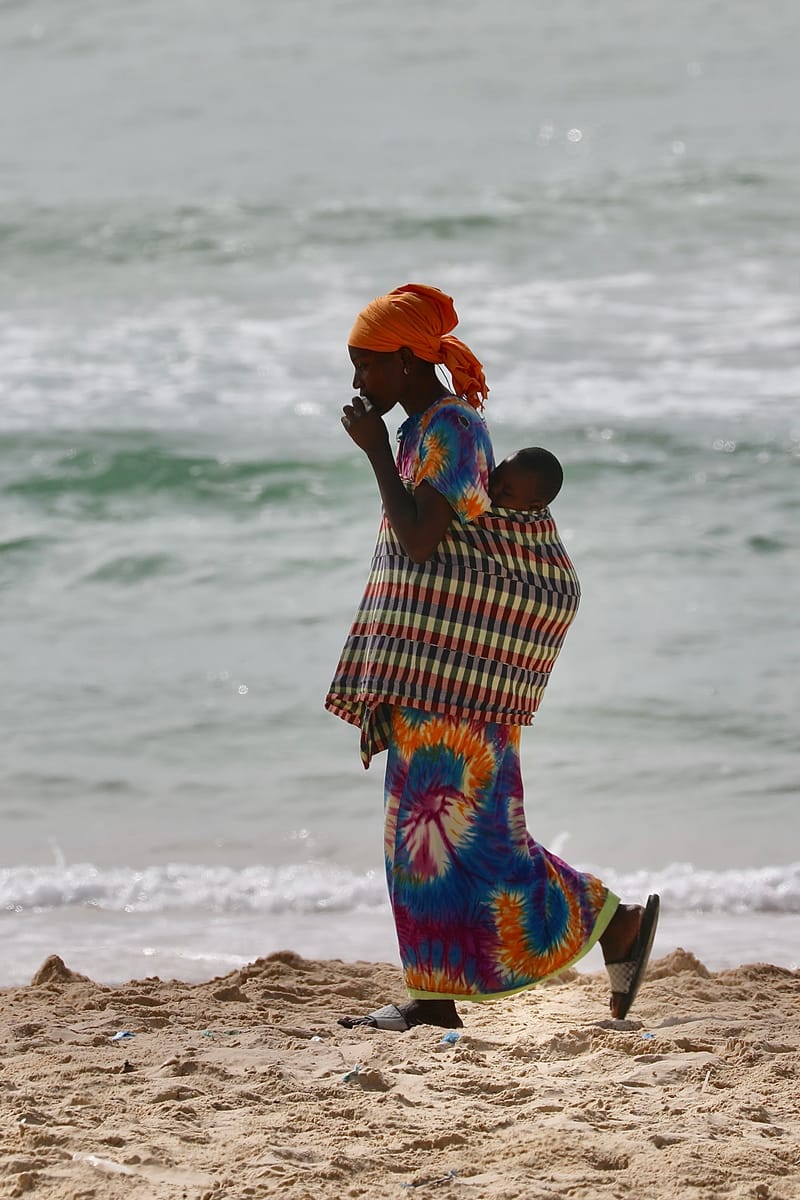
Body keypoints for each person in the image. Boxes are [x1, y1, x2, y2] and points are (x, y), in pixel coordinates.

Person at [325, 283, 659, 1032]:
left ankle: (618, 925)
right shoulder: (421, 434)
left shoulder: (454, 432)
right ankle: (436, 998)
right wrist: (383, 674)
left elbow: (421, 539)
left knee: (479, 843)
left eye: (367, 366)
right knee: (418, 847)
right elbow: (417, 561)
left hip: (462, 684)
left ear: (410, 361)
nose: (357, 382)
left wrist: (377, 454)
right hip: (426, 672)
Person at [489, 446, 564, 512]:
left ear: (534, 506)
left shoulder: (514, 525)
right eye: (494, 478)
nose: (494, 489)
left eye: (506, 492)